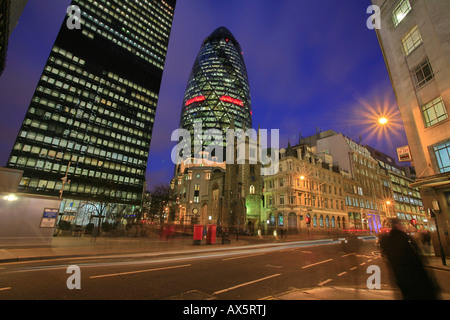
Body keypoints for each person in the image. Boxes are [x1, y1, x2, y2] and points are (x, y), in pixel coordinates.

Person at [380, 218, 440, 300]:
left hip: (404, 279)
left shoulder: (394, 239)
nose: (402, 226)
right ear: (397, 225)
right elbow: (410, 259)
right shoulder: (402, 238)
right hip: (412, 279)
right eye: (400, 224)